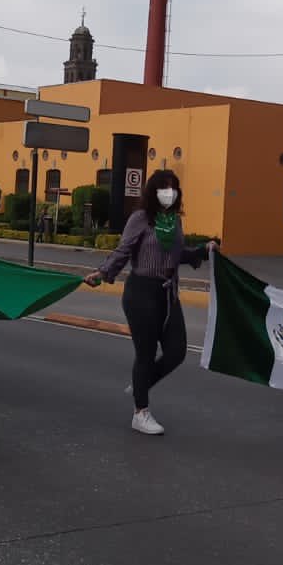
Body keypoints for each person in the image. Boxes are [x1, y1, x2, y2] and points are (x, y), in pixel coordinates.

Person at [84, 169, 217, 436]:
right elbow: (124, 250)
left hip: (168, 293)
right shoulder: (141, 219)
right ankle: (140, 412)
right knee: (145, 354)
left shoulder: (174, 222)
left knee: (177, 351)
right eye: (164, 187)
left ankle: (141, 383)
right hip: (141, 292)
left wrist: (201, 251)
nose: (169, 192)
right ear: (153, 191)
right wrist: (103, 272)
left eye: (174, 187)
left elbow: (176, 254)